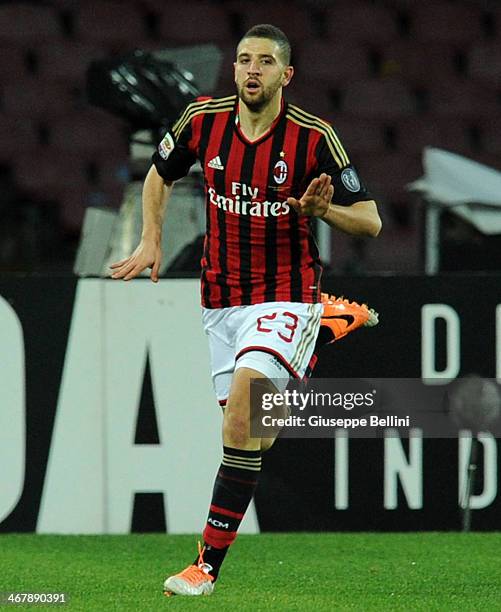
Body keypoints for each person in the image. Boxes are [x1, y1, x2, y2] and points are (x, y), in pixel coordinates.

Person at [110, 24, 381, 596]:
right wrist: (151, 238)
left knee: (241, 410)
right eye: (243, 60)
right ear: (234, 70)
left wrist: (320, 212)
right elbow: (160, 173)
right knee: (258, 432)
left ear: (286, 75)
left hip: (286, 289)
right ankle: (326, 327)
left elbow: (371, 221)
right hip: (222, 299)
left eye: (264, 61)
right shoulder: (201, 121)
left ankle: (204, 567)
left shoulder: (314, 138)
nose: (251, 69)